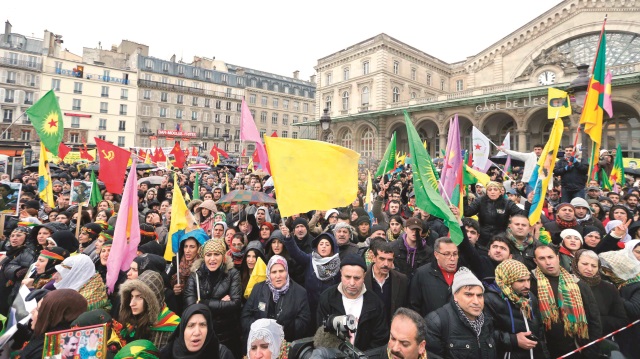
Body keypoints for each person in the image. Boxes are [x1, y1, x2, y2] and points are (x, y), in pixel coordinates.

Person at [531, 245, 602, 358]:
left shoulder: (578, 283)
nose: (548, 262)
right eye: (542, 258)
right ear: (535, 261)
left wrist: (591, 351)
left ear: (558, 257)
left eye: (550, 257)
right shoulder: (530, 283)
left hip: (577, 348)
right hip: (546, 350)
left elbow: (594, 319)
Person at [316, 253, 389, 351]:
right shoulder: (327, 298)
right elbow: (322, 334)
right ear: (341, 274)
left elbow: (380, 340)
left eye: (357, 278)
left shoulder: (376, 303)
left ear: (364, 276)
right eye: (347, 277)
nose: (352, 283)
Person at [184, 239, 242, 356]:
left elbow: (235, 304)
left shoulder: (233, 274)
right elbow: (192, 306)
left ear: (223, 257)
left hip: (227, 334)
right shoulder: (195, 275)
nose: (212, 259)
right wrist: (220, 304)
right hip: (202, 334)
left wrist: (203, 303)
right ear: (203, 257)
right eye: (208, 255)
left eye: (216, 254)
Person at [425, 267, 497, 359]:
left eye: (479, 296)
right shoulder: (437, 322)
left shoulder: (487, 321)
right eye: (469, 295)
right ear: (455, 295)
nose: (476, 301)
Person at [484, 259, 549, 359]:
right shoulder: (489, 300)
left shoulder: (530, 297)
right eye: (521, 281)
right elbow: (485, 334)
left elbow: (540, 331)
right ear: (507, 280)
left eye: (528, 280)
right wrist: (514, 340)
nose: (527, 285)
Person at [241, 255, 311, 343]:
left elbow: (304, 322)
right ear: (268, 274)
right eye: (274, 272)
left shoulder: (300, 292)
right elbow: (245, 316)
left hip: (285, 344)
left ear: (287, 271)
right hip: (260, 342)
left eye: (281, 271)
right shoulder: (258, 288)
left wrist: (281, 330)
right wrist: (260, 330)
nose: (278, 276)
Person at [282, 230, 340, 326]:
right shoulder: (310, 259)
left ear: (332, 247)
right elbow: (296, 253)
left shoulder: (338, 264)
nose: (324, 246)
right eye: (321, 244)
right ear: (317, 247)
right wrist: (288, 238)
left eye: (327, 244)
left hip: (329, 308)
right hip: (310, 306)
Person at [572, 249, 628, 342]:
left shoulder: (609, 288)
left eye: (594, 266)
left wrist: (595, 321)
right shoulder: (565, 284)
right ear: (575, 264)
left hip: (600, 340)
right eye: (585, 264)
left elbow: (621, 320)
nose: (589, 269)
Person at [17, 289, 88, 359]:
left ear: (52, 317)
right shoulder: (62, 334)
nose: (32, 311)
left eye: (38, 310)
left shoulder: (46, 351)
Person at [598, 241, 640, 359]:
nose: (606, 273)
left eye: (609, 270)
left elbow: (635, 309)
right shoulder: (617, 285)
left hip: (634, 338)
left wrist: (613, 295)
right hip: (619, 336)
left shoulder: (636, 285)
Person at [119, 271, 180, 350]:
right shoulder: (130, 322)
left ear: (152, 301)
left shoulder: (172, 325)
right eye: (131, 296)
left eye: (139, 297)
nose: (131, 303)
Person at [160, 303, 233, 359]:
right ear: (182, 330)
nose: (197, 332)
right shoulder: (167, 354)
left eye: (202, 325)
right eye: (191, 326)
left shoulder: (222, 354)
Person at [463, 181, 525, 247]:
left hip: (501, 238)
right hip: (482, 238)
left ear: (500, 192)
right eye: (490, 190)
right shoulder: (480, 201)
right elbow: (467, 212)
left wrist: (529, 203)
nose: (492, 192)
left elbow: (522, 215)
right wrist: (464, 198)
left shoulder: (507, 203)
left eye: (495, 189)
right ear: (487, 192)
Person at [409, 237, 457, 317]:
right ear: (436, 255)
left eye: (455, 254)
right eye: (447, 254)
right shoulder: (422, 274)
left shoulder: (464, 274)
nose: (452, 258)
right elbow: (413, 305)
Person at [364, 240, 408, 325]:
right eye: (382, 259)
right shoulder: (362, 278)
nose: (386, 264)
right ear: (373, 258)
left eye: (390, 260)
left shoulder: (402, 280)